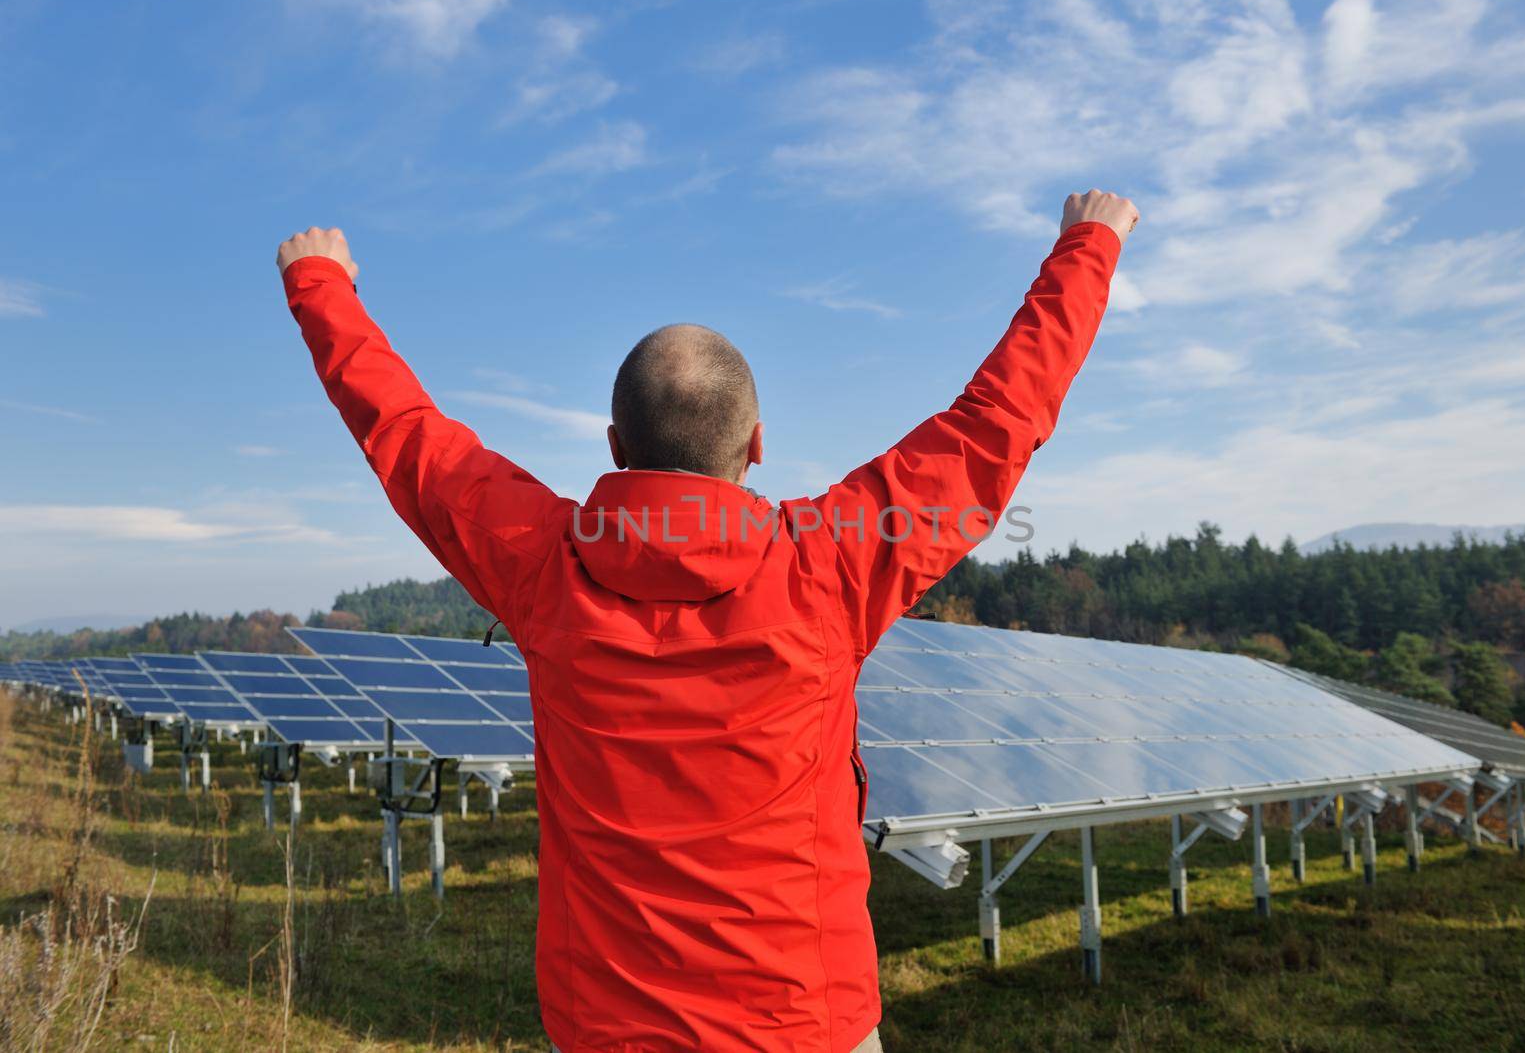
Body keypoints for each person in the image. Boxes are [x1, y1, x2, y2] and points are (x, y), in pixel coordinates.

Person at [276, 189, 1136, 1052]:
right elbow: (992, 426)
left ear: (615, 444)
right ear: (756, 443)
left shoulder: (542, 564)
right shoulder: (830, 562)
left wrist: (323, 285)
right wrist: (1086, 246)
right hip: (805, 1026)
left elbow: (411, 439)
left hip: (608, 1031)